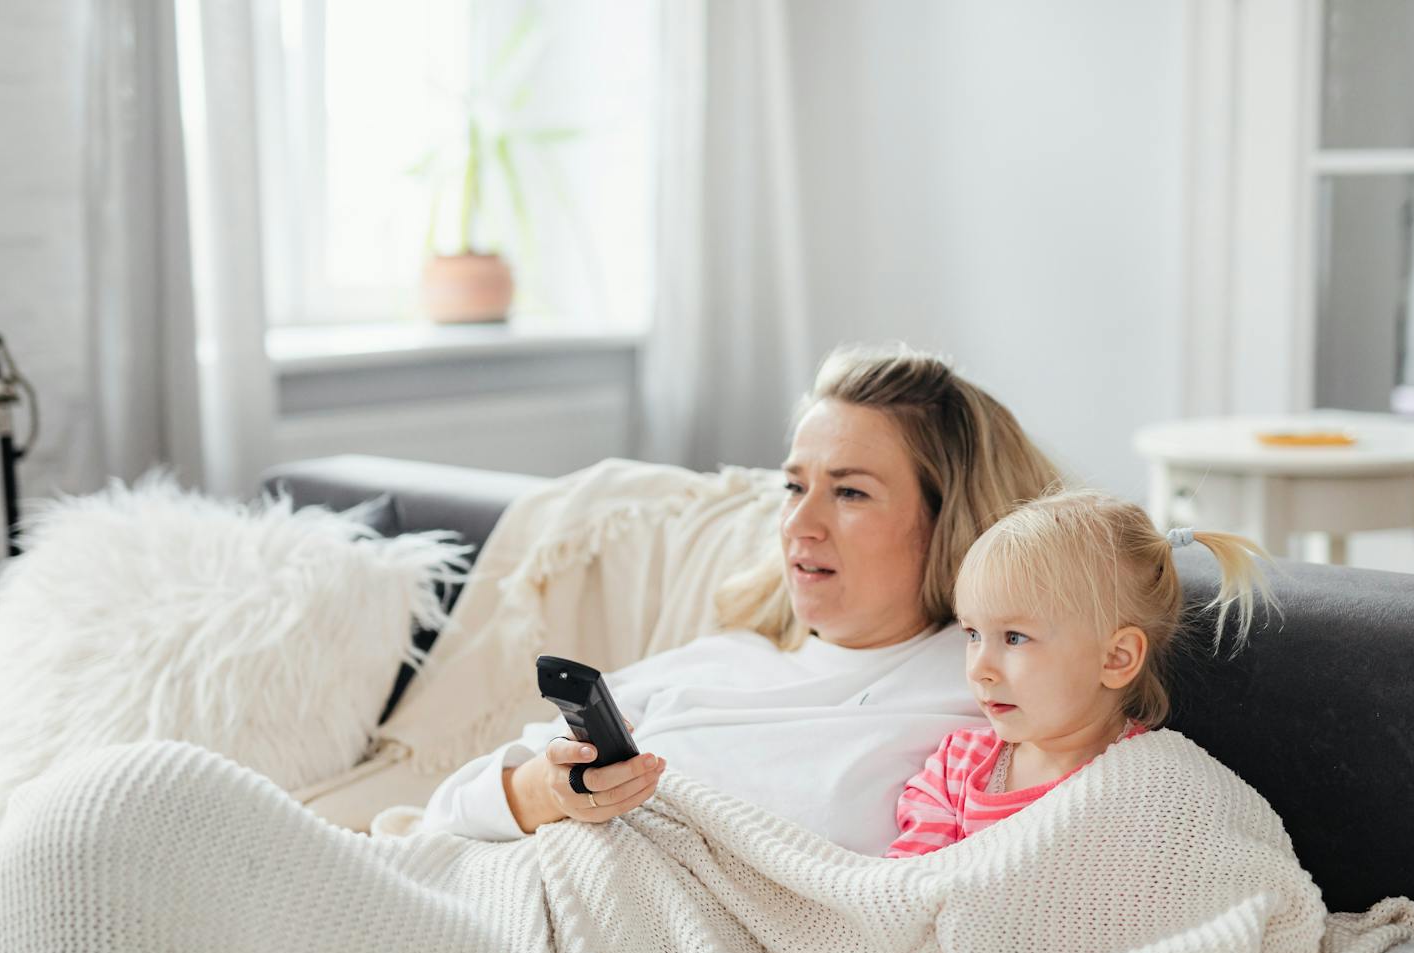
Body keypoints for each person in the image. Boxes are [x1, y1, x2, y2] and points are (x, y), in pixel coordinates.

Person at [420, 343, 1061, 855]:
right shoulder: (723, 659)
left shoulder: (991, 695)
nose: (798, 524)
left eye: (850, 493)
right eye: (792, 486)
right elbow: (442, 813)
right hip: (522, 894)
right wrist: (547, 791)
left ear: (951, 520)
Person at [885, 489, 1275, 858]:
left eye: (1015, 638)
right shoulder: (957, 767)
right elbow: (907, 888)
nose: (980, 669)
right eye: (973, 634)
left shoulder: (1154, 784)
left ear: (1116, 659)